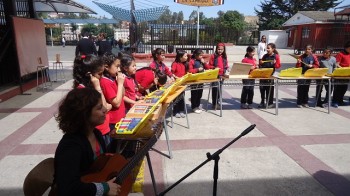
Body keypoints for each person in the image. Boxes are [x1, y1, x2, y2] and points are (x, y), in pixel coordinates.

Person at [53, 88, 121, 195]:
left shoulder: (96, 133)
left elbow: (100, 168)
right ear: (84, 114)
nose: (105, 110)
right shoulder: (71, 146)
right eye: (99, 108)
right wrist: (105, 188)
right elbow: (68, 188)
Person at [72, 54, 112, 145]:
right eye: (100, 74)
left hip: (103, 130)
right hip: (96, 131)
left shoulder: (92, 86)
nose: (102, 77)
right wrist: (98, 87)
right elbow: (105, 108)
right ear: (89, 74)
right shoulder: (83, 92)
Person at [100, 52, 126, 132]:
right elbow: (116, 103)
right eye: (117, 66)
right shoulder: (106, 82)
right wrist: (120, 84)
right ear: (107, 67)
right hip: (113, 121)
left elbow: (123, 94)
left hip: (120, 117)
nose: (119, 69)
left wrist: (121, 83)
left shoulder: (114, 78)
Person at [258, 43, 281, 108]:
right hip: (263, 75)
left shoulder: (276, 56)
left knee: (269, 90)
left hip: (270, 76)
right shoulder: (265, 56)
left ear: (273, 49)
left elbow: (278, 66)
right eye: (267, 48)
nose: (267, 49)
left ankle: (270, 103)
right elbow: (260, 65)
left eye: (268, 48)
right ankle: (262, 101)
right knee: (262, 89)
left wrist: (275, 63)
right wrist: (260, 63)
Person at [207, 43, 229, 110]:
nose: (220, 51)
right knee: (215, 89)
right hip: (215, 75)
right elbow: (209, 66)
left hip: (222, 75)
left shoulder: (224, 56)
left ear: (224, 50)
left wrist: (227, 68)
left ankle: (217, 102)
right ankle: (214, 103)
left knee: (219, 89)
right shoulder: (213, 56)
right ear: (216, 49)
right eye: (219, 49)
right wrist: (214, 67)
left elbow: (226, 64)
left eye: (222, 49)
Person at [332, 41, 350, 108]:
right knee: (338, 88)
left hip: (347, 74)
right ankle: (335, 101)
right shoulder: (340, 54)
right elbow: (337, 64)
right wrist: (343, 68)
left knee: (344, 88)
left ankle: (340, 100)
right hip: (340, 74)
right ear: (346, 47)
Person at [188, 48, 207, 113]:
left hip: (201, 80)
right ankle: (194, 107)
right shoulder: (191, 61)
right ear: (196, 55)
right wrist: (197, 70)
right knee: (194, 94)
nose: (202, 57)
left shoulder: (201, 61)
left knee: (199, 94)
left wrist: (204, 63)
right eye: (200, 55)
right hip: (194, 81)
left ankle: (197, 106)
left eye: (202, 55)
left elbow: (207, 68)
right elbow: (190, 70)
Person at [171, 50, 188, 118]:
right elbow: (171, 73)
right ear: (180, 57)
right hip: (177, 84)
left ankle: (181, 110)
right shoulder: (175, 64)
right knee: (176, 98)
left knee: (182, 97)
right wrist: (176, 77)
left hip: (182, 83)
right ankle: (175, 111)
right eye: (185, 56)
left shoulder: (185, 64)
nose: (187, 57)